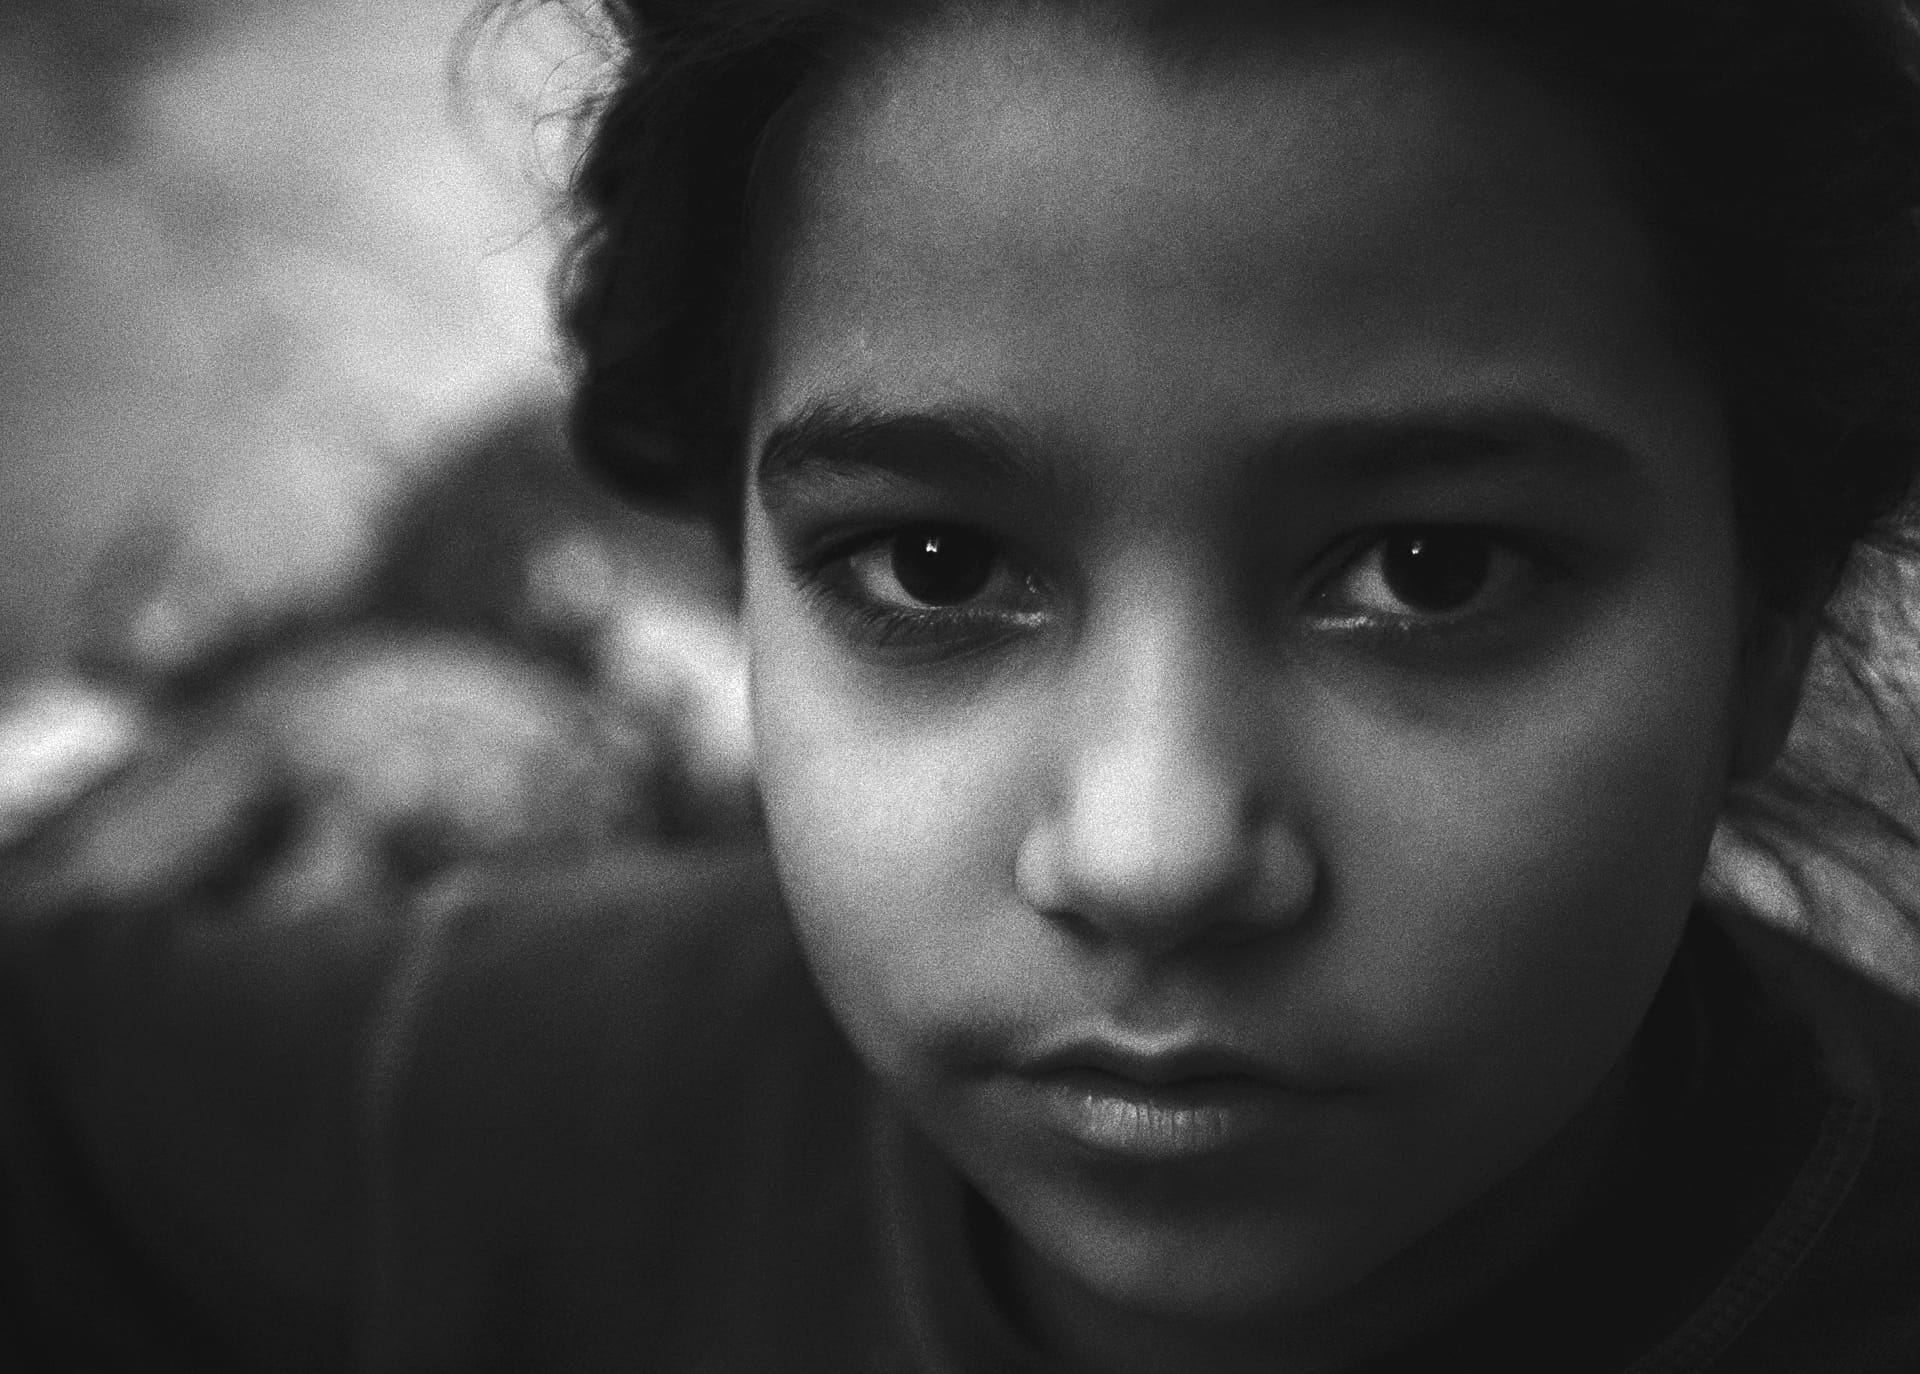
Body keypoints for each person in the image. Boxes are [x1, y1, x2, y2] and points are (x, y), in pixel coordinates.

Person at [8, 0, 1920, 1369]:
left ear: (1768, 620)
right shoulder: (525, 1095)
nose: (1153, 851)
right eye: (936, 566)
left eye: (1430, 572)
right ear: (742, 573)